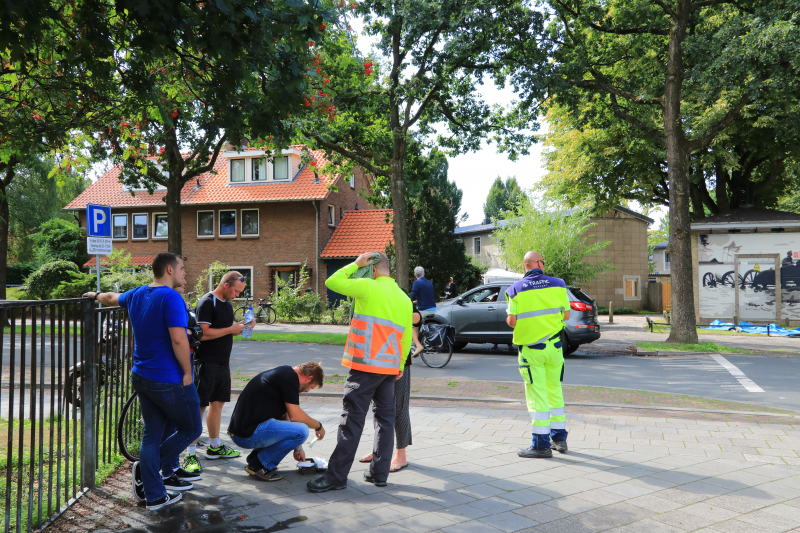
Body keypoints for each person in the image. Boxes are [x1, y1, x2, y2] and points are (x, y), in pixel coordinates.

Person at [84, 252, 202, 510]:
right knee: (192, 429)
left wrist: (93, 295)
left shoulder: (137, 293)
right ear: (169, 270)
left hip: (141, 375)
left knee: (152, 433)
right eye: (182, 268)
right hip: (169, 378)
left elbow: (111, 298)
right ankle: (148, 472)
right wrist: (187, 373)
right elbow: (179, 339)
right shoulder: (171, 297)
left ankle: (155, 496)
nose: (184, 273)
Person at [307, 251, 412, 493]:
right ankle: (379, 474)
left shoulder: (368, 287)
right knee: (385, 421)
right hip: (389, 369)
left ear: (372, 269)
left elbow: (331, 282)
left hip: (364, 367)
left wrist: (355, 264)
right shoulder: (404, 298)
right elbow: (406, 337)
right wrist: (399, 366)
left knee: (351, 421)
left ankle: (336, 477)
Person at [505, 251, 570, 459]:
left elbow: (512, 321)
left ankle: (541, 445)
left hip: (532, 350)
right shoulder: (559, 284)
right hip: (555, 347)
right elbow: (567, 315)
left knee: (537, 395)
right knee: (555, 391)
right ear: (539, 264)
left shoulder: (516, 289)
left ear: (525, 265)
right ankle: (559, 439)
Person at [183, 272, 250, 473]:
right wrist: (230, 329)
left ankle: (214, 446)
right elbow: (202, 334)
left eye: (240, 292)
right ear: (226, 285)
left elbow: (225, 330)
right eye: (236, 291)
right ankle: (190, 454)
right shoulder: (207, 302)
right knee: (200, 406)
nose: (237, 295)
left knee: (217, 404)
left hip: (222, 362)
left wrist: (242, 328)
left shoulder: (227, 304)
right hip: (206, 362)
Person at [227, 363, 326, 481]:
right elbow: (296, 416)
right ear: (308, 378)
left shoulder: (285, 374)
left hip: (242, 431)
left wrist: (298, 448)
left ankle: (255, 458)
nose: (307, 391)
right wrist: (319, 426)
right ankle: (259, 465)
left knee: (297, 429)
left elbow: (289, 416)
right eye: (311, 387)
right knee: (302, 430)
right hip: (246, 435)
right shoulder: (289, 379)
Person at [359, 305, 418, 472]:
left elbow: (417, 318)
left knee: (399, 407)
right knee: (378, 407)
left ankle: (401, 455)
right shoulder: (374, 293)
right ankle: (379, 450)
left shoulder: (400, 295)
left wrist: (394, 314)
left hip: (398, 361)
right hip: (376, 358)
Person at [410, 266, 436, 357]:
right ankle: (415, 345)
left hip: (424, 311)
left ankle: (416, 345)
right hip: (433, 310)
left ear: (415, 275)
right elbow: (427, 297)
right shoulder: (429, 282)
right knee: (417, 324)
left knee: (410, 324)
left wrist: (407, 301)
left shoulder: (417, 283)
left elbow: (412, 295)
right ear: (424, 274)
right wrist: (417, 301)